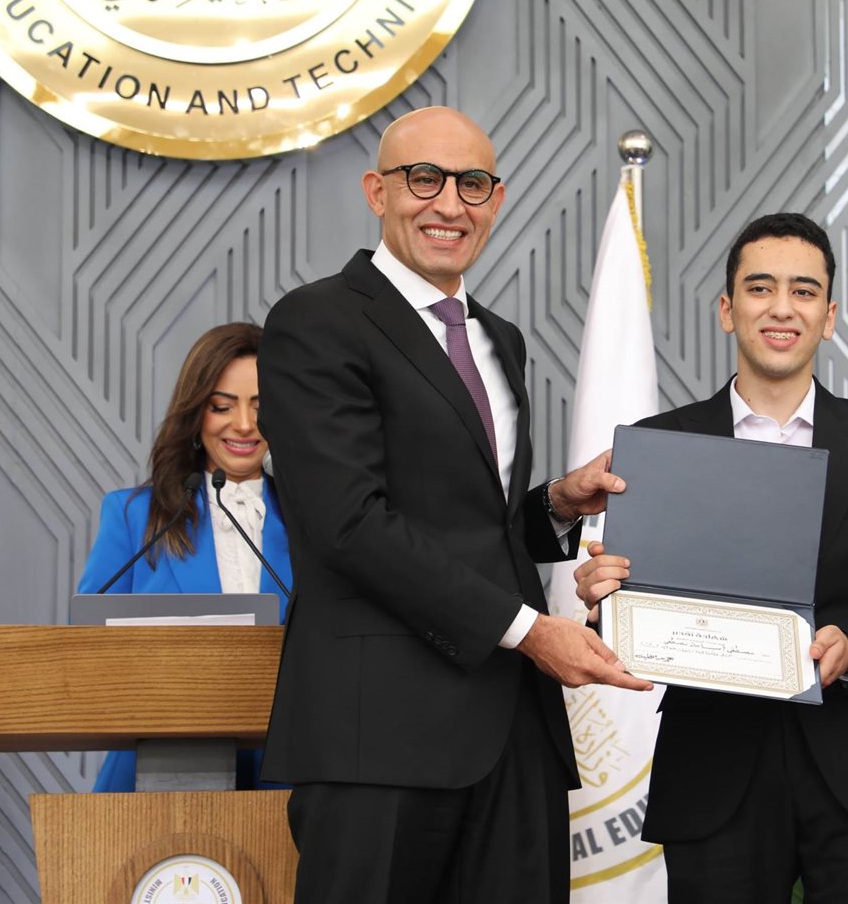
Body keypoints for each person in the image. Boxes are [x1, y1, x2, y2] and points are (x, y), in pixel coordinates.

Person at [257, 105, 653, 904]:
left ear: (495, 201)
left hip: (512, 732)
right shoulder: (316, 321)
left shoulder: (499, 337)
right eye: (423, 179)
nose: (449, 203)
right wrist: (532, 630)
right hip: (378, 737)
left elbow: (472, 523)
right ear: (377, 191)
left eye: (472, 183)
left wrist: (557, 504)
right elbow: (348, 524)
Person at [575, 212, 848, 904]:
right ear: (728, 309)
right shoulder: (657, 444)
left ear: (828, 316)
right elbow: (632, 624)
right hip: (713, 781)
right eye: (760, 288)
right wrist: (605, 601)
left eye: (804, 291)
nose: (782, 307)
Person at [76, 321, 291, 792]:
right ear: (195, 415)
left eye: (261, 406)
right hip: (157, 780)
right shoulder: (133, 517)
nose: (244, 425)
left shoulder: (318, 523)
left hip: (288, 783)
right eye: (222, 406)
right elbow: (89, 655)